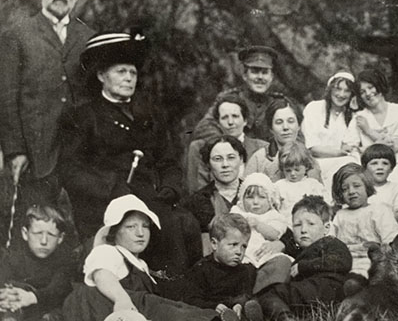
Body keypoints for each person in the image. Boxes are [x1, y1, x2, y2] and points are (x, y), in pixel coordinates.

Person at [57, 31, 201, 276]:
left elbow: (168, 160)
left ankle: (190, 289)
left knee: (188, 222)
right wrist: (113, 188)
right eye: (121, 72)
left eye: (132, 73)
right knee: (168, 226)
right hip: (104, 202)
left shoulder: (149, 113)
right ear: (102, 75)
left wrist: (170, 187)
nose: (128, 79)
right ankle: (168, 295)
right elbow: (71, 171)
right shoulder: (82, 116)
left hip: (150, 197)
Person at [0, 0, 95, 248]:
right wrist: (15, 150)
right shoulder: (18, 35)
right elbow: (7, 98)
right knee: (34, 221)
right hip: (36, 149)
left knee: (85, 221)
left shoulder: (87, 37)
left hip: (78, 149)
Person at [62, 195, 222, 321]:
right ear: (114, 232)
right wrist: (121, 299)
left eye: (145, 226)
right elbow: (103, 275)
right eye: (131, 227)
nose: (140, 233)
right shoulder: (108, 252)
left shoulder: (141, 265)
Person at [257, 195, 352, 321]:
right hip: (307, 294)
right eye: (297, 225)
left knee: (272, 294)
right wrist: (281, 244)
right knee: (271, 296)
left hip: (325, 288)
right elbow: (289, 242)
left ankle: (283, 317)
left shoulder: (330, 242)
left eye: (311, 224)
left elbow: (342, 262)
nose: (303, 230)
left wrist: (304, 266)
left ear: (326, 228)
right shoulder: (299, 250)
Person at [190, 45, 286, 146]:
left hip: (269, 158)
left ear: (271, 77)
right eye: (254, 72)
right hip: (234, 156)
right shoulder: (228, 99)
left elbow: (296, 134)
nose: (260, 77)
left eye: (265, 72)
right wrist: (230, 144)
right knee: (197, 145)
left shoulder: (279, 103)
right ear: (245, 75)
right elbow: (203, 128)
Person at [173, 214, 259, 320]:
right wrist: (214, 306)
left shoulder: (242, 270)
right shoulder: (201, 269)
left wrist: (239, 304)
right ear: (214, 244)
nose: (239, 252)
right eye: (233, 245)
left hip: (234, 310)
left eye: (244, 246)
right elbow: (192, 299)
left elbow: (245, 293)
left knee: (248, 305)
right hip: (211, 310)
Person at [0, 205, 75, 320]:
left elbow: (58, 289)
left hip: (45, 311)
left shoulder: (63, 261)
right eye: (38, 233)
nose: (44, 241)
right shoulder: (12, 257)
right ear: (25, 233)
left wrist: (32, 297)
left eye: (51, 235)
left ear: (60, 238)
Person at [343, 69, 398, 191]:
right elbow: (348, 149)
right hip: (368, 171)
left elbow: (395, 146)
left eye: (371, 87)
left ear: (379, 86)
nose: (368, 93)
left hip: (396, 167)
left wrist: (369, 131)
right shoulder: (359, 118)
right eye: (362, 92)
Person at [185, 94, 268, 194]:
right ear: (218, 123)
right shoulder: (201, 148)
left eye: (235, 116)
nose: (230, 122)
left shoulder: (262, 148)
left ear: (245, 120)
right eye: (224, 117)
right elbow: (198, 191)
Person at [331, 163, 398, 278]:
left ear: (367, 186)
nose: (351, 191)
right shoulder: (340, 215)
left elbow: (391, 239)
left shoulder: (379, 210)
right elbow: (332, 242)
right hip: (346, 262)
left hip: (373, 261)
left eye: (356, 185)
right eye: (345, 189)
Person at [181, 135, 246, 255]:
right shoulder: (196, 201)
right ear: (208, 164)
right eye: (217, 159)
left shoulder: (256, 192)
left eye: (231, 157)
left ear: (241, 159)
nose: (225, 164)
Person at [301, 71, 359, 192]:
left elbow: (349, 148)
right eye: (338, 89)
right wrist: (340, 152)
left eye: (347, 91)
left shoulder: (352, 116)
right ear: (330, 89)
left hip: (341, 164)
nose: (341, 94)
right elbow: (313, 149)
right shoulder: (314, 108)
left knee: (352, 166)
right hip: (315, 163)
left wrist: (343, 152)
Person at [245, 97, 322, 183]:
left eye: (291, 121)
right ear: (271, 128)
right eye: (279, 122)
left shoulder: (309, 160)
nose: (285, 127)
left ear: (299, 126)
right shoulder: (259, 159)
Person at [229, 173, 290, 268]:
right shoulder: (237, 212)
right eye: (250, 197)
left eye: (262, 197)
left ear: (270, 200)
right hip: (243, 254)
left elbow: (275, 235)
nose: (255, 202)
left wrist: (258, 225)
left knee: (281, 263)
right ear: (242, 199)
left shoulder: (273, 216)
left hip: (265, 254)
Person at [361, 144, 398, 242]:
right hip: (367, 230)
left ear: (391, 168)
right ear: (365, 168)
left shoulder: (396, 188)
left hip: (393, 228)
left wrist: (382, 228)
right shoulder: (362, 190)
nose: (380, 167)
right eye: (374, 163)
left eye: (385, 163)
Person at [274, 142, 326, 220]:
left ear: (306, 167)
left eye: (297, 170)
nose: (292, 174)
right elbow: (274, 206)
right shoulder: (279, 185)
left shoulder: (313, 184)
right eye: (288, 170)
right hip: (286, 222)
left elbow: (324, 203)